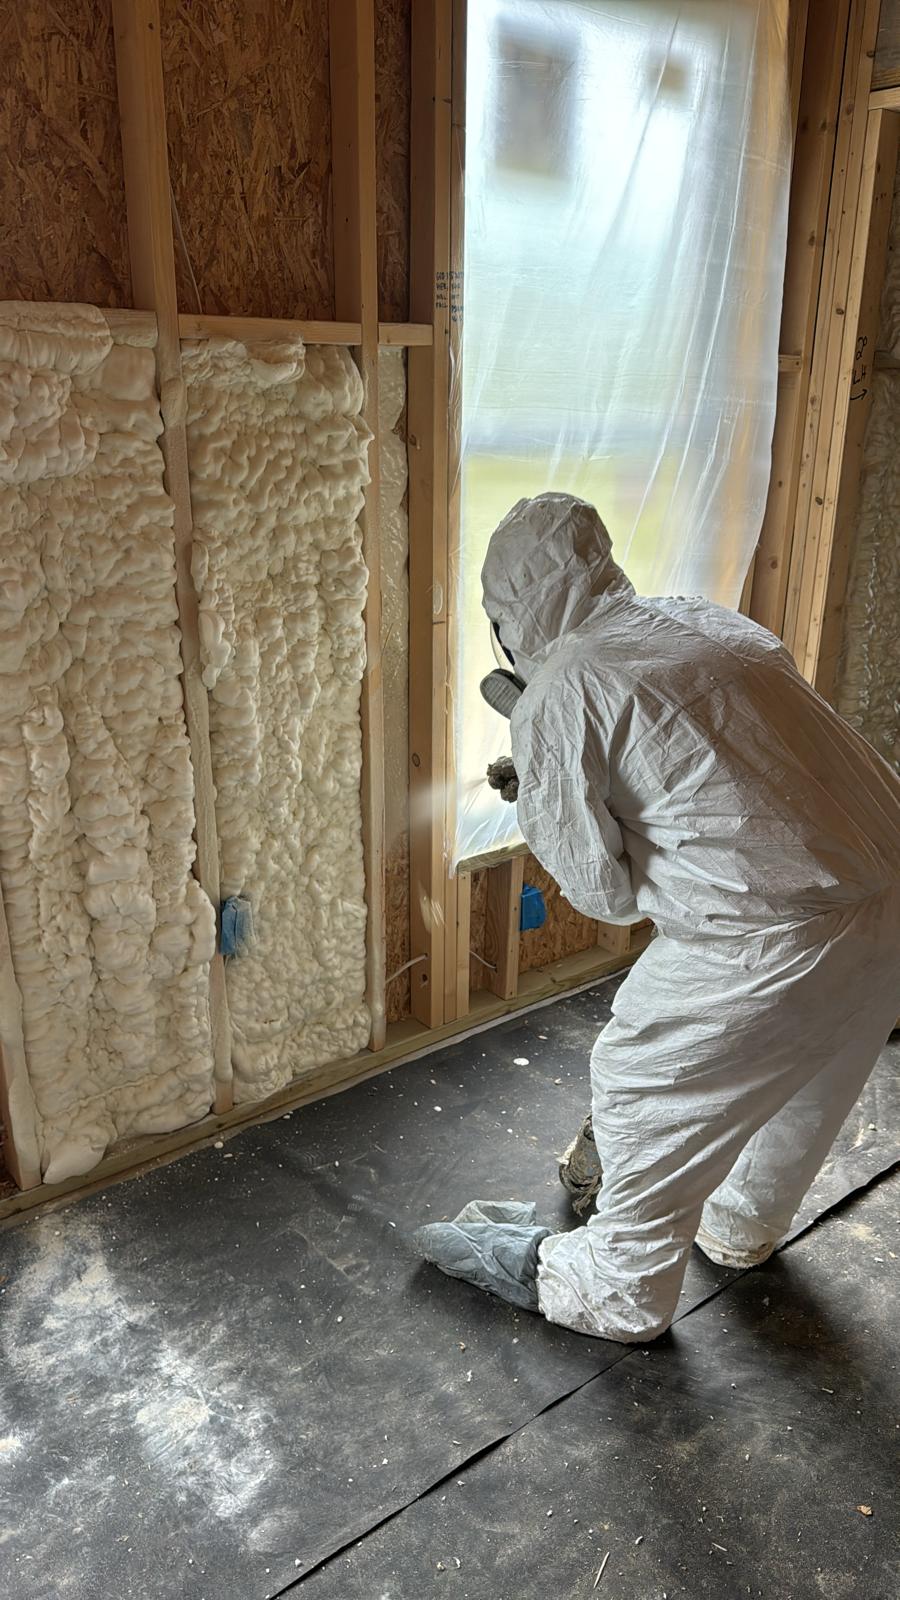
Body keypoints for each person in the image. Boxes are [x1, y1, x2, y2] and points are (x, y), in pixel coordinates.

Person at [414, 492, 900, 1343]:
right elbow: (723, 767)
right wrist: (564, 765)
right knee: (811, 1075)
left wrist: (549, 780)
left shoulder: (563, 691)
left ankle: (616, 1287)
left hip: (774, 934)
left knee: (644, 1077)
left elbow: (605, 894)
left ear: (507, 616)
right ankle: (740, 1229)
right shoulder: (696, 619)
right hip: (886, 886)